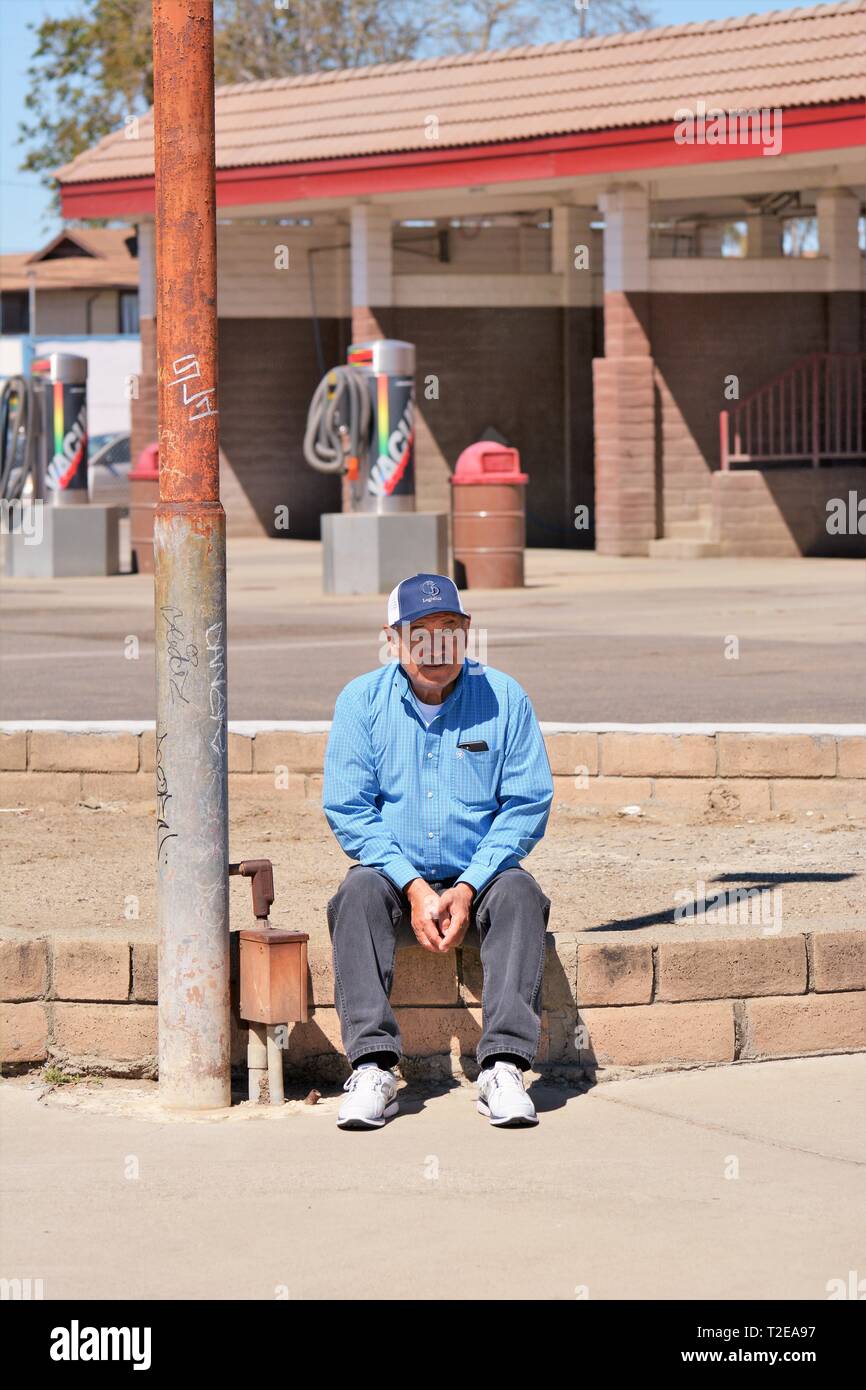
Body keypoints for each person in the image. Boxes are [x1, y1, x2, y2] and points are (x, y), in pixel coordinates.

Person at [322, 572, 553, 1130]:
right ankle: (374, 1065)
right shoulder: (361, 701)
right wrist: (415, 886)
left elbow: (526, 803)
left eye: (449, 629)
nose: (437, 646)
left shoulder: (504, 697)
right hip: (396, 880)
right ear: (393, 638)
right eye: (420, 632)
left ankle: (502, 1066)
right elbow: (349, 807)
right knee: (354, 894)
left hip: (482, 875)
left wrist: (470, 886)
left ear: (467, 633)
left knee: (521, 893)